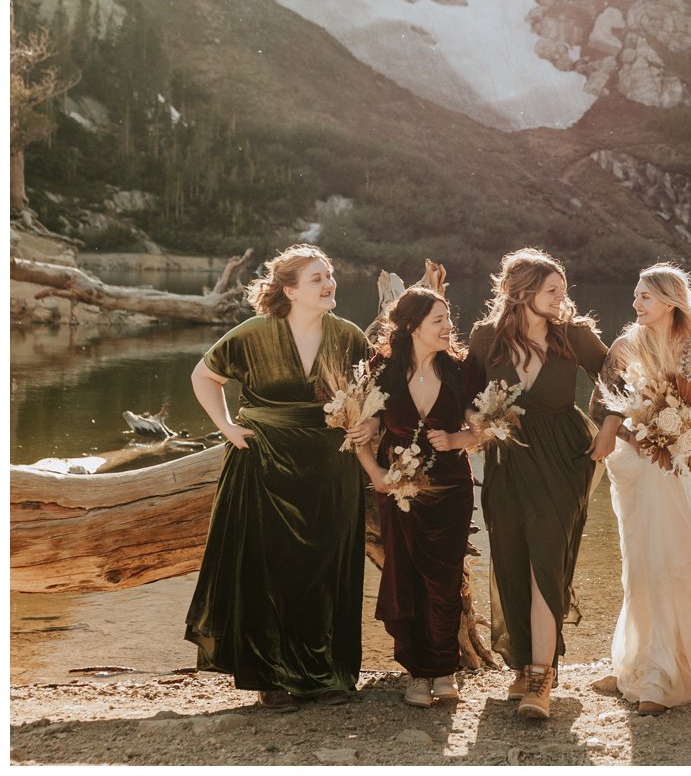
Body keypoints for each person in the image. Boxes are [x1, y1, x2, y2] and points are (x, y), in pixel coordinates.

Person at [184, 244, 371, 712]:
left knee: (325, 570)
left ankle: (324, 672)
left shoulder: (348, 336)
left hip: (331, 469)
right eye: (316, 278)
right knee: (267, 569)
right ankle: (270, 677)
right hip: (264, 465)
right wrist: (226, 427)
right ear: (289, 290)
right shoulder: (252, 333)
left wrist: (372, 424)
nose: (329, 283)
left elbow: (374, 395)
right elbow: (203, 376)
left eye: (329, 275)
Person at [588, 264, 691, 715]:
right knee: (643, 565)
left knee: (684, 559)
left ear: (671, 303)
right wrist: (639, 438)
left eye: (645, 298)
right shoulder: (623, 346)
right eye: (635, 295)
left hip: (685, 466)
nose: (636, 304)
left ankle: (677, 670)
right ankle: (641, 666)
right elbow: (602, 407)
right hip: (640, 467)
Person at [468, 248, 608, 720]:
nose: (561, 299)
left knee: (545, 561)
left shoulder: (575, 335)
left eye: (562, 290)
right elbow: (461, 395)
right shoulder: (486, 338)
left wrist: (607, 430)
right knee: (509, 557)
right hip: (507, 462)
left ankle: (542, 675)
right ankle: (523, 663)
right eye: (552, 291)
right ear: (522, 292)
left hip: (564, 460)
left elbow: (619, 382)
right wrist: (477, 422)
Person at [348, 286, 486, 708]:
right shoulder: (383, 369)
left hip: (450, 490)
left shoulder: (463, 370)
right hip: (400, 492)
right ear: (412, 327)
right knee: (404, 578)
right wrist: (376, 474)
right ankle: (416, 673)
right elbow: (360, 427)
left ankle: (443, 670)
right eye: (438, 320)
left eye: (448, 319)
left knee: (444, 581)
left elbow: (485, 428)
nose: (449, 327)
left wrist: (457, 437)